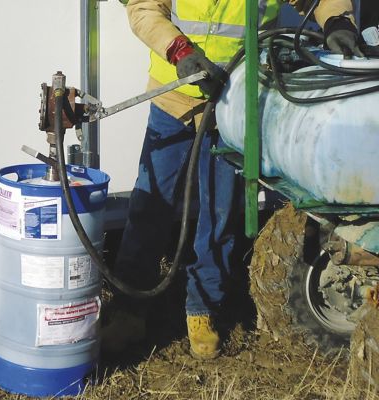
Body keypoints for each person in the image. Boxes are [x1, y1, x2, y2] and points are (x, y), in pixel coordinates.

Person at [103, 0, 362, 360]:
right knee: (150, 208)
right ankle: (130, 310)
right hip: (175, 97)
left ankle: (202, 309)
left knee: (220, 213)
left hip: (235, 103)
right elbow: (144, 8)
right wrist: (179, 50)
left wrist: (336, 21)